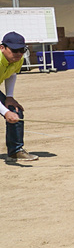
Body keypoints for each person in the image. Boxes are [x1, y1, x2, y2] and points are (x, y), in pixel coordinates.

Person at [1, 32, 34, 162]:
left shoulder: (18, 59)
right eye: (15, 50)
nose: (19, 53)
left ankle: (15, 151)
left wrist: (9, 97)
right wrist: (5, 112)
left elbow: (12, 74)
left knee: (15, 111)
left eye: (22, 50)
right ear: (2, 48)